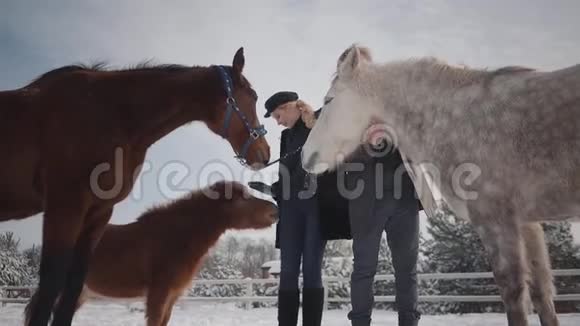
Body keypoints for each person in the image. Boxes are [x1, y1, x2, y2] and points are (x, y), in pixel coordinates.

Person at [250, 91, 350, 326]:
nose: (278, 121)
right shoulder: (285, 138)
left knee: (312, 270)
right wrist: (272, 188)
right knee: (287, 272)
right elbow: (289, 172)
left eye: (278, 115)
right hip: (290, 210)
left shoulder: (318, 123)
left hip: (315, 208)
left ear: (289, 107)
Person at [341, 138, 422, 326]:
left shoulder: (401, 108)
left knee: (407, 268)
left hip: (405, 193)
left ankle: (409, 322)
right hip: (364, 196)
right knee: (364, 268)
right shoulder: (347, 111)